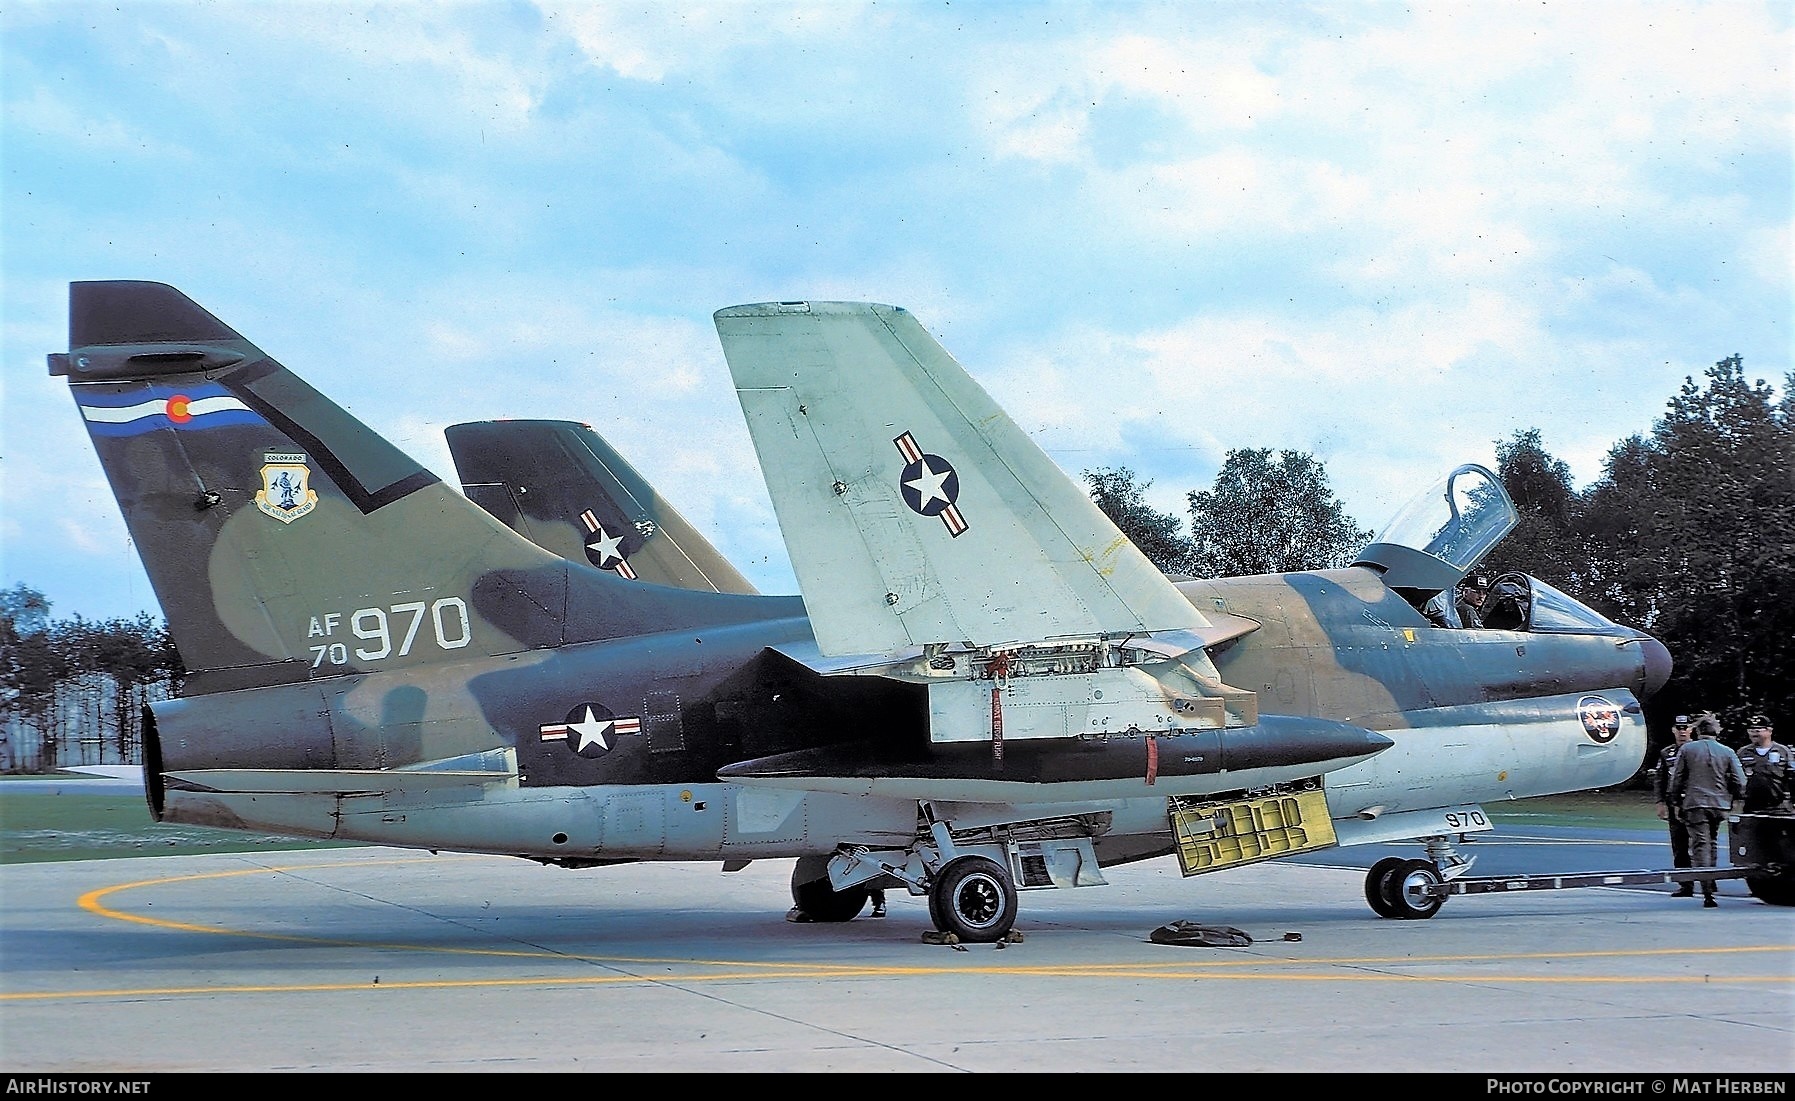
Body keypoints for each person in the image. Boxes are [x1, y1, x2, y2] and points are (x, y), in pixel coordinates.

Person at [1668, 713, 1747, 907]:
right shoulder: (1727, 751)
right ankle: (1711, 879)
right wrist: (1736, 798)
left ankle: (1706, 889)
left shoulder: (1687, 749)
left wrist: (1675, 801)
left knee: (1700, 843)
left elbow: (1676, 779)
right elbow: (1740, 780)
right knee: (1711, 842)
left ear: (1698, 731)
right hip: (1719, 803)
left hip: (1696, 803)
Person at [1653, 714, 1697, 896]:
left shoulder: (1700, 750)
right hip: (1675, 806)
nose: (1682, 732)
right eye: (1679, 728)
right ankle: (1685, 884)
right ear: (1673, 730)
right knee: (1679, 847)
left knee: (1703, 845)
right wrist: (1660, 802)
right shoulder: (1667, 753)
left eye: (1685, 728)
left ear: (1691, 730)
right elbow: (1660, 779)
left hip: (1696, 804)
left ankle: (1708, 881)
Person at [1735, 713, 1791, 814]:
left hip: (1778, 807)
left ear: (1769, 731)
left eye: (1757, 731)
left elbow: (1791, 776)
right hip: (1750, 806)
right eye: (1751, 731)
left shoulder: (1783, 751)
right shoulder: (1742, 752)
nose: (1753, 734)